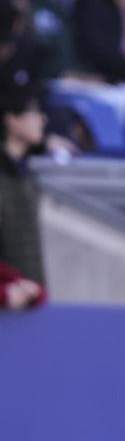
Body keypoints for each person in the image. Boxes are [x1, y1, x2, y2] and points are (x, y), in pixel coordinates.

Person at [0, 87, 47, 310]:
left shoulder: (28, 178)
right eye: (33, 113)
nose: (42, 119)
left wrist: (35, 289)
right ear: (12, 120)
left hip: (29, 296)